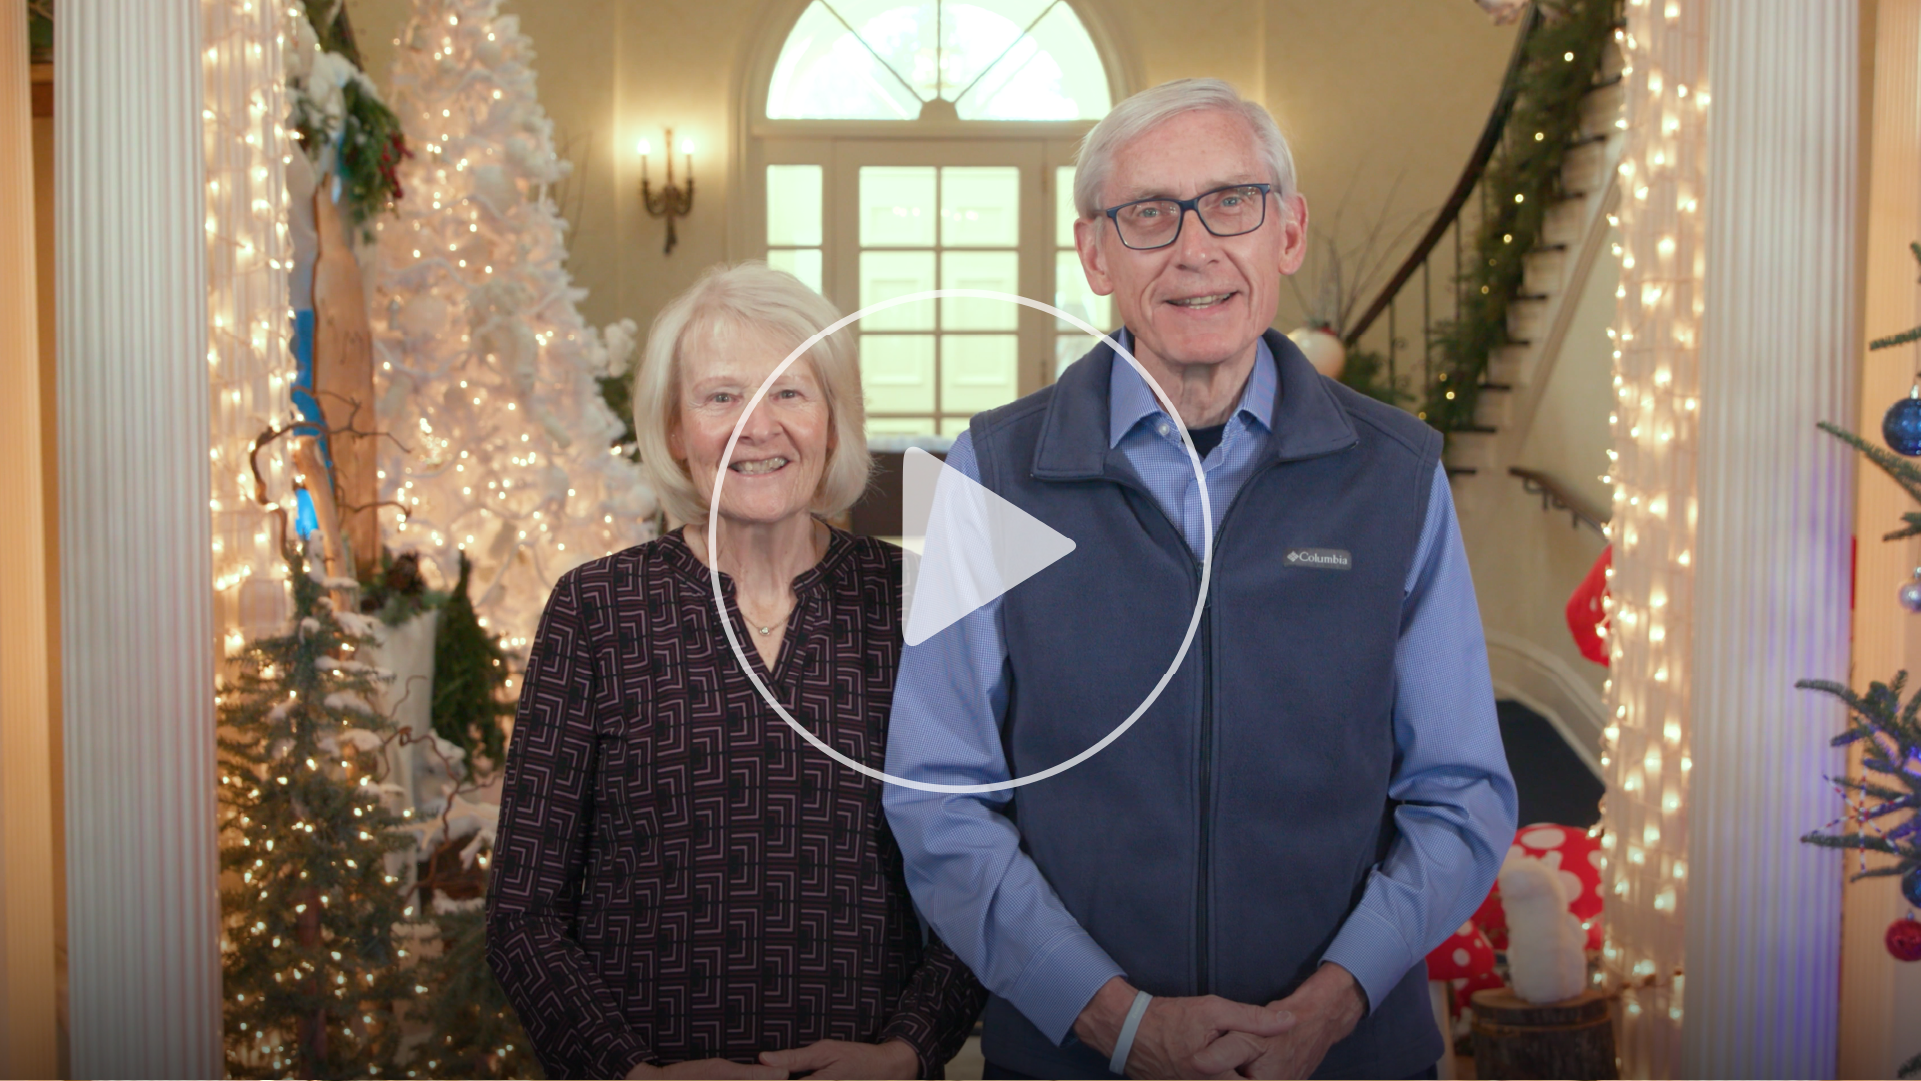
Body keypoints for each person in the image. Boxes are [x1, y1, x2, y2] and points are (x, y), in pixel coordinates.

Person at [883, 79, 1518, 1080]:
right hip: (1069, 1061)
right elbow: (939, 796)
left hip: (1348, 1056)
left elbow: (1461, 793)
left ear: (1288, 231)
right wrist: (1114, 1020)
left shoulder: (1398, 476)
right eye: (1147, 214)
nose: (1194, 249)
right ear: (1094, 253)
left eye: (1231, 202)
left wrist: (1332, 1002)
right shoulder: (987, 471)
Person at [488, 262, 987, 1080]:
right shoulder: (595, 608)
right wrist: (632, 1074)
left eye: (789, 392)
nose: (758, 426)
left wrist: (909, 1049)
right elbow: (523, 914)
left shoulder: (916, 601)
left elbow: (984, 863)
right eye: (721, 396)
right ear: (674, 430)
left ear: (833, 421)